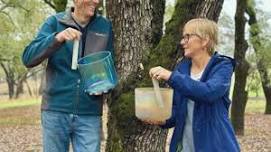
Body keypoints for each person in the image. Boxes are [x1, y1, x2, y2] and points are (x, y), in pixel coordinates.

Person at [22, 0, 114, 151]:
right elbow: (28, 58)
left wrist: (105, 86)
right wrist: (57, 38)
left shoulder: (104, 26)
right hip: (56, 110)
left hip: (89, 112)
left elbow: (109, 65)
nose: (96, 1)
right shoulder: (55, 22)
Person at [148, 18, 240, 152]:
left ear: (205, 40)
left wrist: (170, 76)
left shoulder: (222, 67)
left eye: (187, 37)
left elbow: (208, 93)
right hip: (184, 147)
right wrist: (162, 119)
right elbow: (178, 110)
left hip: (216, 146)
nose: (182, 42)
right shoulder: (182, 69)